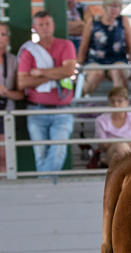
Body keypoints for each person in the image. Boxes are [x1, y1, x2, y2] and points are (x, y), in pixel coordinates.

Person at [17, 12, 76, 174]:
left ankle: (44, 186)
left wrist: (40, 72)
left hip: (63, 109)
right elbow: (23, 82)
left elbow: (69, 70)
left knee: (58, 152)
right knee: (40, 153)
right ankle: (48, 189)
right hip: (36, 109)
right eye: (40, 25)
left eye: (47, 24)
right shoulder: (29, 51)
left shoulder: (65, 45)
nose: (44, 28)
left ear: (53, 25)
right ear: (34, 28)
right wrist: (55, 74)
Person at [77, 0, 131, 95]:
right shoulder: (92, 22)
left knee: (117, 71)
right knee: (96, 73)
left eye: (118, 6)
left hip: (118, 60)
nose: (115, 9)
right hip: (95, 61)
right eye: (112, 6)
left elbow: (129, 46)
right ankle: (80, 99)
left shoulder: (123, 21)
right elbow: (83, 47)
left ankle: (121, 103)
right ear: (104, 7)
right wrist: (78, 67)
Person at [95, 86, 131, 167]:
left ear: (127, 102)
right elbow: (103, 146)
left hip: (116, 157)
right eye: (112, 101)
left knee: (117, 154)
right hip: (118, 157)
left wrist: (115, 144)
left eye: (119, 101)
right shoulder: (100, 119)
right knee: (119, 145)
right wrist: (124, 144)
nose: (115, 104)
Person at [0, 23, 24, 173]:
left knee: (4, 157)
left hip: (5, 114)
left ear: (8, 38)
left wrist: (5, 92)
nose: (0, 38)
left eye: (3, 34)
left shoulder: (13, 61)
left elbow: (21, 94)